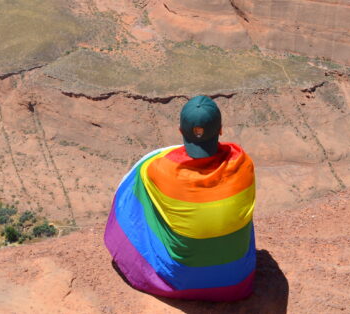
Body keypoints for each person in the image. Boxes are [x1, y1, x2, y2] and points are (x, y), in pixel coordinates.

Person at [104, 95, 256, 301]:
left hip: (178, 279)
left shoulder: (157, 169)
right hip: (235, 280)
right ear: (220, 129)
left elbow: (149, 167)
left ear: (180, 131)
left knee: (137, 185)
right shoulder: (243, 164)